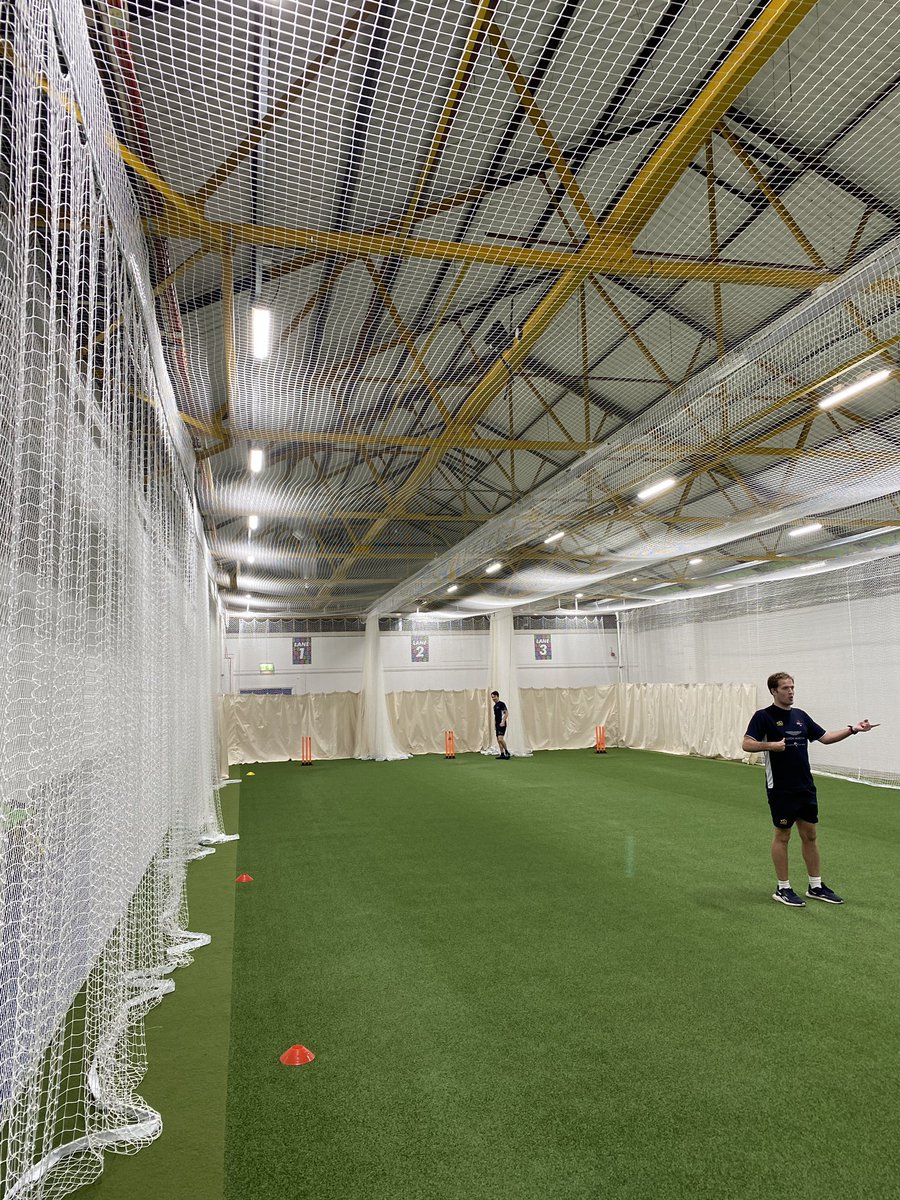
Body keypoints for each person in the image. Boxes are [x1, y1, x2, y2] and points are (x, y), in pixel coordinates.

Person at [742, 672, 879, 907]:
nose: (791, 691)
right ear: (773, 691)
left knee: (810, 835)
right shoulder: (763, 716)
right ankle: (783, 888)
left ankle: (815, 886)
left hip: (805, 786)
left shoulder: (800, 716)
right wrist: (771, 745)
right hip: (781, 788)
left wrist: (853, 729)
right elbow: (747, 743)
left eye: (792, 687)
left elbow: (825, 737)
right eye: (785, 688)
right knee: (783, 836)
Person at [491, 690, 510, 760]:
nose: (493, 698)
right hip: (497, 724)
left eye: (494, 697)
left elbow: (506, 713)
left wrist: (503, 721)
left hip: (502, 724)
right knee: (498, 740)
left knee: (500, 739)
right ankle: (502, 754)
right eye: (492, 697)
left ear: (497, 696)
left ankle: (507, 752)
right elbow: (495, 716)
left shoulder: (502, 704)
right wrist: (495, 724)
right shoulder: (494, 706)